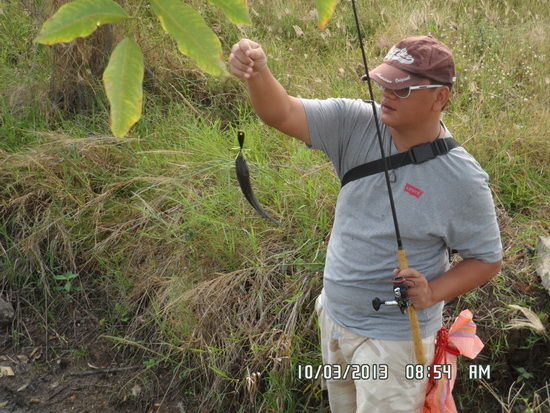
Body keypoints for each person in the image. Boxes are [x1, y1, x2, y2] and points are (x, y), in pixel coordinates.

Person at [229, 35, 502, 412]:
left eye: (402, 89)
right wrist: (256, 71)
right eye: (384, 81)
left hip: (395, 344)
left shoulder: (463, 181)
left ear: (440, 97)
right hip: (336, 317)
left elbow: (487, 258)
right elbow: (282, 113)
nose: (387, 93)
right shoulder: (355, 123)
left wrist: (433, 292)